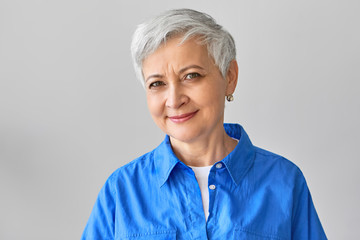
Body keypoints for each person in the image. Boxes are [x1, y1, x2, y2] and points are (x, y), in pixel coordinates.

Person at [81, 9, 327, 239]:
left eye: (191, 76)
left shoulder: (284, 181)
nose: (175, 100)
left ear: (229, 77)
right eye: (157, 83)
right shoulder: (121, 190)